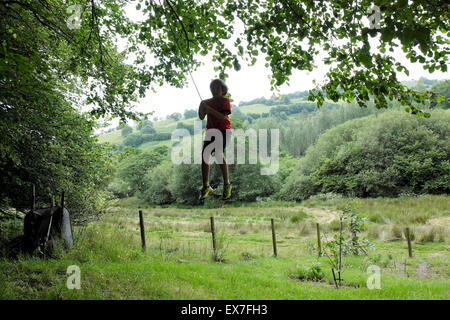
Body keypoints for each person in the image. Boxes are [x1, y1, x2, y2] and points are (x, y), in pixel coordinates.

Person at [198, 79, 232, 200]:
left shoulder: (225, 101)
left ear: (223, 90)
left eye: (218, 88)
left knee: (218, 154)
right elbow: (201, 117)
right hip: (211, 131)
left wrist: (209, 109)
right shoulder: (206, 102)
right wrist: (201, 107)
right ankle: (206, 186)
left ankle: (227, 184)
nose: (215, 90)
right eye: (213, 88)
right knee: (205, 155)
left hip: (224, 130)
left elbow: (223, 117)